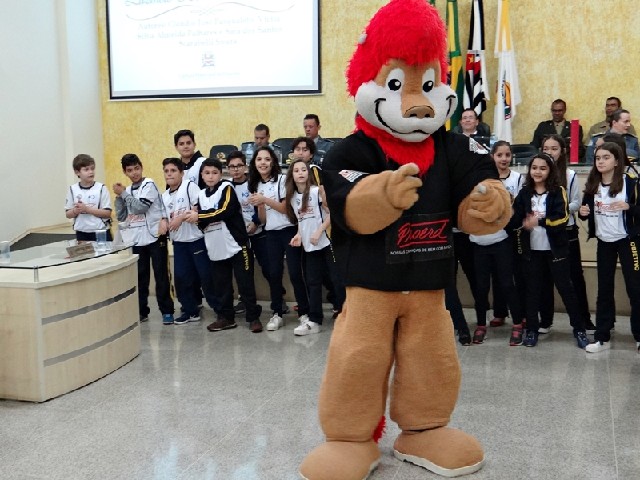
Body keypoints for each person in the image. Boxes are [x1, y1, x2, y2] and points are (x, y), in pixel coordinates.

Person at [508, 153, 589, 348]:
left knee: (566, 289)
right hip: (532, 252)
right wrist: (507, 213)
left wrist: (540, 221)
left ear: (550, 171)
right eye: (534, 168)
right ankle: (532, 330)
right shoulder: (524, 193)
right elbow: (515, 219)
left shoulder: (558, 191)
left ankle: (579, 329)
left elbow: (562, 218)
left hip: (556, 251)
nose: (538, 172)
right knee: (532, 291)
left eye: (543, 168)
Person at [189, 158, 263, 333]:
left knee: (245, 283)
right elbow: (199, 221)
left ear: (221, 174)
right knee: (221, 285)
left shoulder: (227, 188)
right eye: (207, 173)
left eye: (214, 173)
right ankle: (226, 318)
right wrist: (199, 218)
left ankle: (253, 317)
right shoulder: (200, 195)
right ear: (202, 175)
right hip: (216, 246)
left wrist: (201, 216)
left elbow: (225, 210)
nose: (211, 176)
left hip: (237, 244)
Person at [579, 142, 640, 354]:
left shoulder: (630, 182)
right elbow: (585, 210)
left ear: (616, 161)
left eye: (606, 157)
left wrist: (629, 207)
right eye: (598, 158)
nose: (601, 161)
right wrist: (583, 213)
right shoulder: (593, 183)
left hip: (628, 241)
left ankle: (639, 336)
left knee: (635, 288)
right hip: (605, 242)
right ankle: (602, 337)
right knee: (604, 290)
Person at [247, 146, 310, 331]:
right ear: (254, 163)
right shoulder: (256, 185)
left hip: (289, 230)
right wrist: (260, 206)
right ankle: (277, 313)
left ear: (273, 162)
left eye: (267, 159)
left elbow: (285, 209)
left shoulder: (282, 180)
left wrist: (264, 200)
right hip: (271, 233)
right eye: (259, 159)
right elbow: (263, 220)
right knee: (274, 273)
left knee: (295, 273)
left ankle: (304, 313)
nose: (263, 163)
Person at [469, 141, 525, 346]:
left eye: (507, 155)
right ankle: (480, 324)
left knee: (507, 283)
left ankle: (517, 324)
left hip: (501, 241)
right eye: (499, 155)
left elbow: (514, 215)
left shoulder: (504, 185)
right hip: (478, 243)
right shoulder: (472, 183)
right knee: (481, 286)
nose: (503, 159)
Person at [541, 134, 595, 333]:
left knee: (575, 277)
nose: (550, 153)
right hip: (543, 232)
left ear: (562, 152)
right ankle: (545, 320)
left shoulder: (569, 174)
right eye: (546, 149)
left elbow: (575, 203)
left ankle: (584, 320)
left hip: (566, 231)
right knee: (545, 277)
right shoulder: (537, 172)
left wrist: (555, 210)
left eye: (554, 149)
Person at [113, 154, 174, 324]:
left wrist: (123, 194)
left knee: (161, 275)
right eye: (130, 170)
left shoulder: (149, 184)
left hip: (155, 236)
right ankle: (141, 311)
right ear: (125, 172)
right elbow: (122, 216)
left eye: (136, 168)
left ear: (141, 167)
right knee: (140, 277)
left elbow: (140, 208)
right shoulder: (127, 191)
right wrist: (119, 198)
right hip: (137, 240)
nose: (134, 173)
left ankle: (167, 311)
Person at [286, 159, 344, 335]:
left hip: (326, 242)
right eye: (296, 170)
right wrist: (298, 234)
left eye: (303, 170)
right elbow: (301, 220)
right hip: (310, 247)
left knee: (336, 279)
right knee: (313, 282)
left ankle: (345, 315)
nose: (300, 173)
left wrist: (319, 231)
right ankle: (315, 320)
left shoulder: (317, 191)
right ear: (292, 175)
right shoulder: (292, 198)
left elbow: (332, 213)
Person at [160, 158, 219, 325]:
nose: (169, 174)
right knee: (181, 277)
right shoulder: (164, 196)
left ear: (181, 173)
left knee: (206, 276)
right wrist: (163, 222)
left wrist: (180, 219)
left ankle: (220, 309)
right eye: (166, 171)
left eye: (173, 170)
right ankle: (190, 311)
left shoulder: (189, 186)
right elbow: (164, 216)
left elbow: (197, 208)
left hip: (196, 240)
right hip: (179, 243)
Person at [226, 150, 272, 314]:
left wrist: (255, 222)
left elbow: (260, 206)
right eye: (232, 166)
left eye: (239, 165)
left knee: (268, 268)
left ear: (245, 167)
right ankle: (244, 301)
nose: (236, 169)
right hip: (239, 237)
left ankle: (278, 299)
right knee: (243, 271)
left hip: (258, 233)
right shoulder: (227, 187)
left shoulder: (254, 183)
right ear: (228, 169)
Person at [65, 154, 113, 242]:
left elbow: (107, 213)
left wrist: (87, 209)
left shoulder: (101, 188)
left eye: (92, 168)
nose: (91, 172)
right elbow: (68, 214)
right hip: (81, 233)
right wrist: (75, 210)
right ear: (77, 172)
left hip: (101, 232)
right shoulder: (72, 189)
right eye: (86, 169)